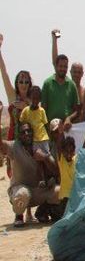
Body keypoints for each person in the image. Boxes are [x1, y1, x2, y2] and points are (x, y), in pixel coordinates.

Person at [0, 112, 60, 227]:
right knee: (23, 193)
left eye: (29, 131)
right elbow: (1, 145)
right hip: (20, 191)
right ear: (19, 136)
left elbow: (55, 171)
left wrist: (45, 157)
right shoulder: (14, 146)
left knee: (58, 191)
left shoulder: (40, 146)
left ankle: (42, 211)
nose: (27, 134)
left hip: (37, 191)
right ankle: (19, 216)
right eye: (23, 132)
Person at [0, 33, 32, 178]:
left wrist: (27, 106)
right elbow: (4, 73)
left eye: (26, 82)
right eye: (21, 81)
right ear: (17, 83)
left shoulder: (34, 101)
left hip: (31, 140)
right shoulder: (13, 97)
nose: (23, 84)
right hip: (15, 140)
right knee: (15, 173)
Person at [41, 52, 79, 130]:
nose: (63, 69)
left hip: (66, 129)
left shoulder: (72, 85)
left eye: (65, 67)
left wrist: (69, 118)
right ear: (55, 66)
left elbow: (76, 110)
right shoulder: (47, 83)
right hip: (51, 130)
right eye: (60, 66)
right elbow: (43, 109)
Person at [51, 29, 85, 103]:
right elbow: (55, 62)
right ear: (70, 72)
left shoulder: (84, 91)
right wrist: (54, 40)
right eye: (75, 72)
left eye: (79, 72)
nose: (76, 74)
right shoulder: (66, 86)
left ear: (82, 73)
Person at [19, 86, 50, 153]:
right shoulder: (25, 111)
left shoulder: (42, 111)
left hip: (44, 138)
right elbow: (21, 124)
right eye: (33, 98)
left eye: (37, 98)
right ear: (30, 97)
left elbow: (46, 125)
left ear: (40, 99)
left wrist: (50, 138)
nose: (35, 100)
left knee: (47, 155)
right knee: (37, 158)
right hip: (33, 141)